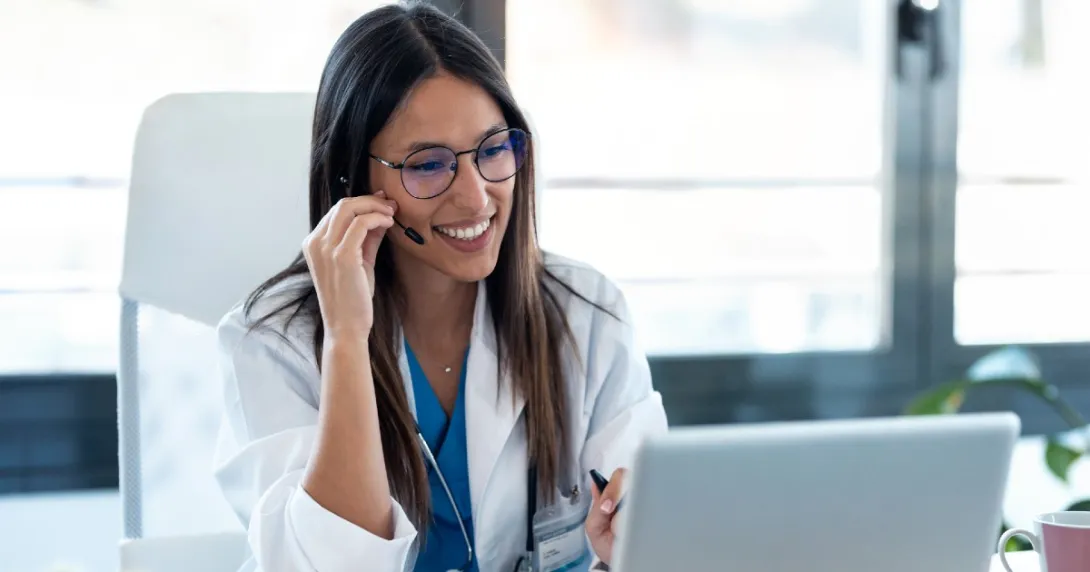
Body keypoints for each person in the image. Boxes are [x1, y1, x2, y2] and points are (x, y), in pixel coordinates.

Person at [212, 2, 668, 571]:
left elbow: (658, 540)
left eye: (493, 149)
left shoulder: (588, 315)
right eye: (428, 164)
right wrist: (347, 340)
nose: (476, 197)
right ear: (354, 179)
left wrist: (630, 546)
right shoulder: (274, 343)